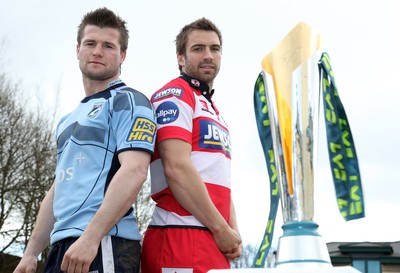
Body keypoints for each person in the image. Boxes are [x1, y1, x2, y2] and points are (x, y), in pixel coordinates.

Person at [13, 7, 156, 273]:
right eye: (90, 43)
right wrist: (31, 253)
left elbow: (135, 170)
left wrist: (91, 238)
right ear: (77, 49)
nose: (97, 51)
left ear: (122, 55)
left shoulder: (130, 102)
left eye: (108, 46)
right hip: (60, 247)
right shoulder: (66, 120)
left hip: (104, 243)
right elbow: (59, 188)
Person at [141, 17, 242, 273]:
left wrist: (232, 229)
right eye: (198, 48)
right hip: (179, 234)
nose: (208, 55)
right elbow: (176, 167)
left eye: (214, 48)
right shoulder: (174, 95)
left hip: (213, 237)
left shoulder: (214, 110)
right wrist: (221, 229)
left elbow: (218, 176)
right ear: (181, 58)